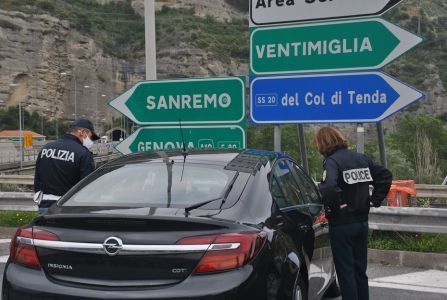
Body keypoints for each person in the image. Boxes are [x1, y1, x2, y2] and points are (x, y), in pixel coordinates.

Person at [315, 127, 392, 300]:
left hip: (342, 225)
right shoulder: (361, 158)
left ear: (323, 143)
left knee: (346, 274)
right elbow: (385, 175)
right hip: (362, 224)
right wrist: (374, 200)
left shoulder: (332, 161)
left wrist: (334, 208)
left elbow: (328, 188)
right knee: (360, 272)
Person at [34, 117, 100, 213]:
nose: (92, 141)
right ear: (82, 132)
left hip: (45, 207)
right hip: (68, 208)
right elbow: (87, 187)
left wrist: (41, 202)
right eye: (91, 137)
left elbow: (38, 179)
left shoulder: (46, 148)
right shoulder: (83, 153)